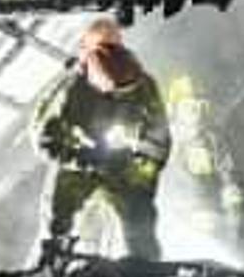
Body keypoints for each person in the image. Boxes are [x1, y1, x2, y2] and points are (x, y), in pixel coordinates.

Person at [33, 18, 172, 262]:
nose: (126, 97)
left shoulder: (143, 85)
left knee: (139, 217)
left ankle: (144, 270)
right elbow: (44, 138)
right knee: (59, 211)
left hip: (124, 163)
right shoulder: (70, 91)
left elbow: (159, 140)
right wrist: (81, 160)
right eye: (119, 93)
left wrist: (141, 174)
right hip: (79, 162)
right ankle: (53, 258)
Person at [164, 75, 244, 243]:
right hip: (171, 225)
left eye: (202, 106)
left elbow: (230, 179)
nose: (197, 113)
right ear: (175, 110)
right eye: (190, 107)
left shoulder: (213, 141)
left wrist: (235, 218)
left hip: (208, 224)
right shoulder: (162, 141)